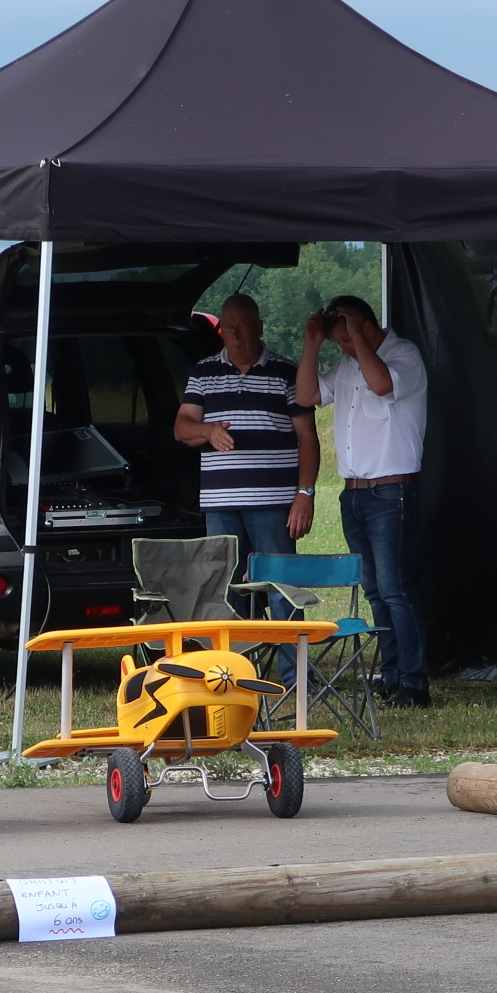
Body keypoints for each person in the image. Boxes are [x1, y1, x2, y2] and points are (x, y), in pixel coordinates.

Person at [295, 294, 430, 707]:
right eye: (341, 345)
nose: (347, 351)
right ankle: (390, 674)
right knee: (373, 590)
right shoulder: (349, 364)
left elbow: (382, 384)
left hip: (391, 492)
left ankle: (413, 682)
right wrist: (313, 343)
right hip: (354, 495)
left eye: (348, 341)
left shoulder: (402, 355)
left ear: (365, 326)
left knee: (394, 590)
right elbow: (305, 397)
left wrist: (358, 336)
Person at [175, 293, 316, 643]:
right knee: (224, 589)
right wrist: (208, 430)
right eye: (228, 327)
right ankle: (235, 675)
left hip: (273, 505)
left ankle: (293, 674)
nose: (234, 334)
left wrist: (305, 494)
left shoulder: (286, 372)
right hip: (221, 506)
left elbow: (309, 439)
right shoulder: (204, 371)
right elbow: (182, 428)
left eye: (241, 326)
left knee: (282, 587)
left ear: (259, 327)